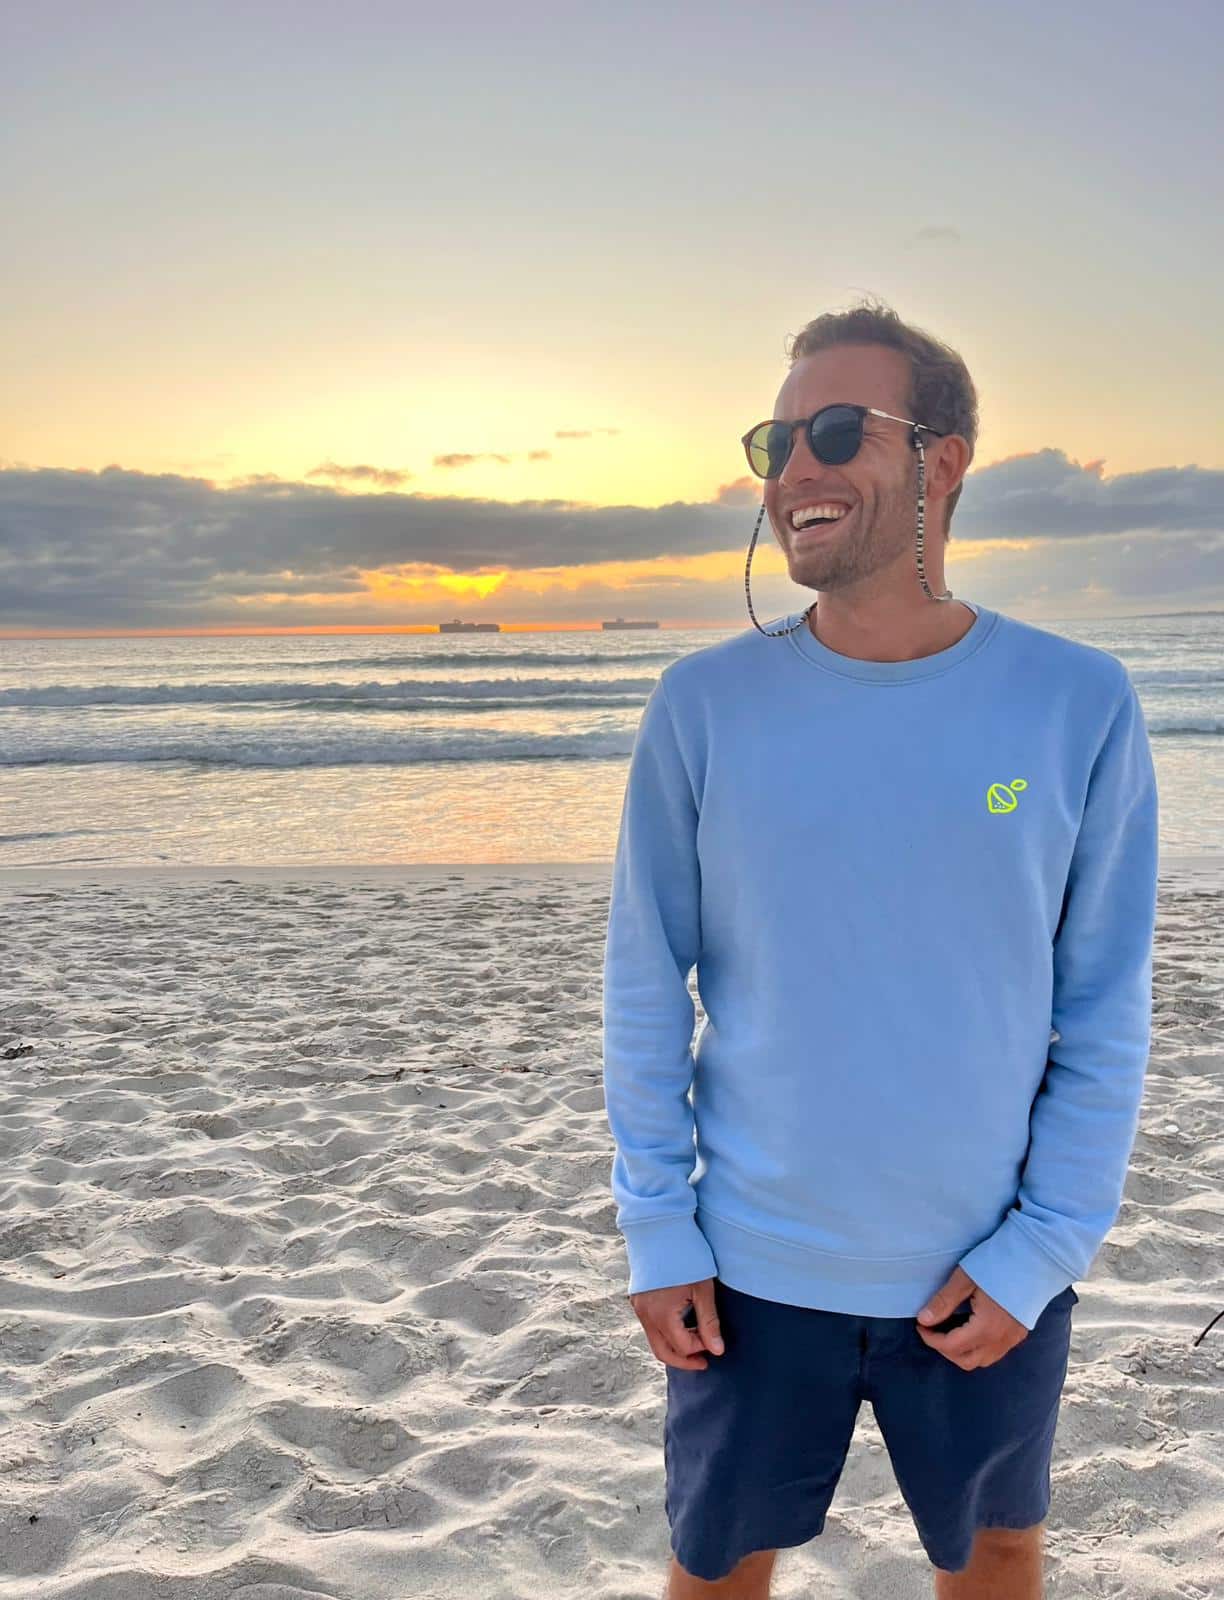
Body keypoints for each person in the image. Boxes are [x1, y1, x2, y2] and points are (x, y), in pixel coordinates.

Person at [600, 299, 1159, 1599]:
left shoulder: (1077, 702)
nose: (796, 468)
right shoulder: (704, 707)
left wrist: (1045, 1247)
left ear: (942, 460)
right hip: (746, 1271)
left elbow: (1105, 1007)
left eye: (837, 430)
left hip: (985, 1274)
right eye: (776, 439)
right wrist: (657, 1229)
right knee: (718, 1559)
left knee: (999, 1550)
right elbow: (643, 986)